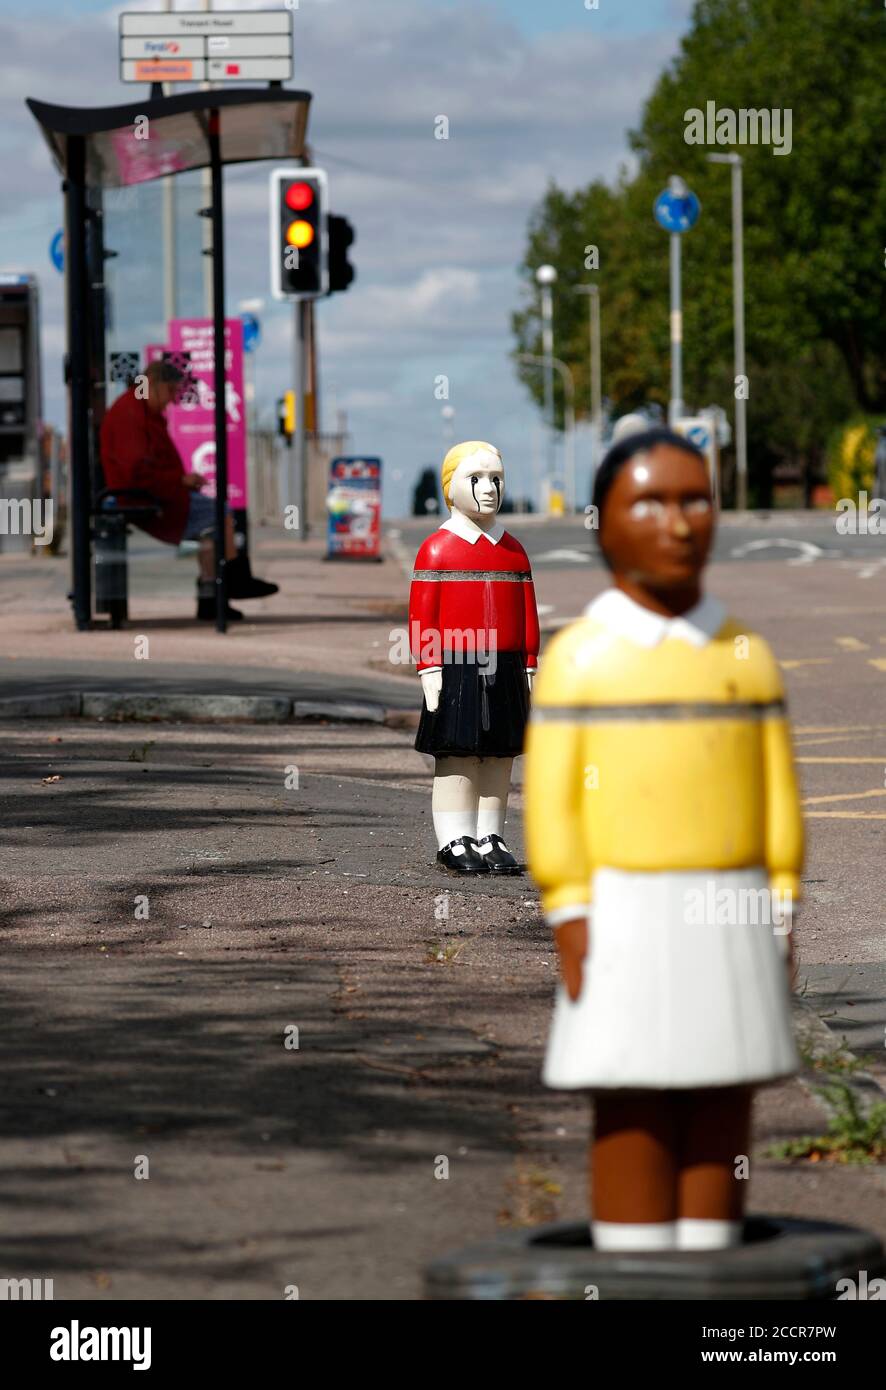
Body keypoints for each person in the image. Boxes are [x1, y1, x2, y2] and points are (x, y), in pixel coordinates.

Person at [524, 427, 803, 1251]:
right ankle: (634, 1254)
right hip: (623, 909)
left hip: (734, 905)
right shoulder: (582, 662)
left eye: (695, 500)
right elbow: (553, 799)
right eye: (650, 501)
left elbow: (776, 792)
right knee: (631, 1090)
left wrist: (782, 897)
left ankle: (712, 1259)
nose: (679, 523)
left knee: (725, 1086)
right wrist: (568, 905)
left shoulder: (746, 657)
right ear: (602, 523)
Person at [409, 440, 539, 874]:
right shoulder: (438, 549)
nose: (489, 489)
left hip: (504, 665)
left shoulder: (513, 551)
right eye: (477, 479)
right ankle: (453, 837)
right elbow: (422, 612)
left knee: (499, 755)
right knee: (458, 753)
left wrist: (529, 662)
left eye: (496, 479)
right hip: (457, 664)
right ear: (451, 487)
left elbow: (527, 611)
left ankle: (490, 833)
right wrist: (428, 665)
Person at [99, 360, 277, 621]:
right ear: (154, 385)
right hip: (144, 497)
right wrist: (180, 481)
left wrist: (181, 480)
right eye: (170, 391)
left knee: (211, 532)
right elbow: (137, 472)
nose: (171, 400)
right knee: (223, 513)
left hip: (154, 492)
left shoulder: (137, 410)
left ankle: (212, 598)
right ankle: (233, 581)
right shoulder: (131, 415)